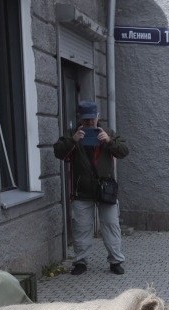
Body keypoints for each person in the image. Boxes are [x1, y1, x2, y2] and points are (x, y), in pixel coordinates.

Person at [52, 100, 129, 276]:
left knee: (111, 225)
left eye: (92, 120)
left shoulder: (108, 132)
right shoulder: (72, 134)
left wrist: (108, 141)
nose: (89, 123)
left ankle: (116, 261)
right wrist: (73, 141)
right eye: (86, 120)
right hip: (82, 192)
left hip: (106, 191)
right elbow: (58, 152)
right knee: (81, 227)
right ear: (80, 118)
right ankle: (80, 262)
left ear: (97, 117)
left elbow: (124, 151)